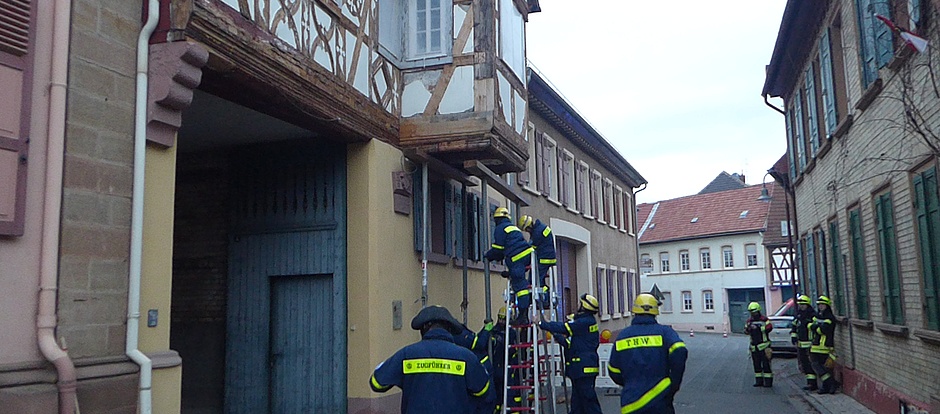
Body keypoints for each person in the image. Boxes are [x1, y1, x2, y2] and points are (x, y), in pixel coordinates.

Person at [370, 305, 491, 413]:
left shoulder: (407, 354)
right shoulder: (466, 357)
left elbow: (377, 383)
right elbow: (483, 390)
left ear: (422, 329)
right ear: (449, 329)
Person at [608, 293, 688, 414]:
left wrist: (630, 382)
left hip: (631, 404)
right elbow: (680, 350)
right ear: (655, 312)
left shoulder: (622, 336)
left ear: (635, 311)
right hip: (660, 400)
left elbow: (613, 370)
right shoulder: (665, 332)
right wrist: (673, 383)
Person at [538, 293, 602, 414]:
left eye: (580, 303)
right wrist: (553, 332)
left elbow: (563, 327)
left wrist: (542, 324)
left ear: (584, 306)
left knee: (589, 402)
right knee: (577, 404)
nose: (577, 305)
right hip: (579, 369)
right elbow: (568, 343)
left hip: (584, 369)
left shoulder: (584, 322)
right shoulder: (583, 325)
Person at [484, 207, 535, 325]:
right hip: (525, 256)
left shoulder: (500, 229)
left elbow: (498, 249)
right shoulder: (513, 228)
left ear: (497, 219)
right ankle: (523, 313)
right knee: (519, 280)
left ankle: (523, 315)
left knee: (520, 287)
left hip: (516, 259)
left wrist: (488, 255)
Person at [454, 319, 498, 414]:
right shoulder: (459, 335)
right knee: (487, 400)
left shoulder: (459, 333)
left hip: (482, 367)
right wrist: (486, 331)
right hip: (481, 368)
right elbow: (479, 343)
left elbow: (476, 339)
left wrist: (484, 330)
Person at [518, 214, 556, 308]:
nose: (527, 231)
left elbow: (532, 249)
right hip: (548, 258)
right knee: (540, 279)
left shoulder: (537, 233)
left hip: (543, 259)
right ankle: (546, 296)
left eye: (526, 229)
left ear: (529, 226)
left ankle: (546, 298)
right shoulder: (540, 227)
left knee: (534, 279)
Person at [808, 295, 839, 394]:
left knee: (825, 367)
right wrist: (815, 327)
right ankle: (831, 384)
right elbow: (809, 325)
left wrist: (815, 327)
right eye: (819, 305)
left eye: (822, 305)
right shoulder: (817, 316)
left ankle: (829, 386)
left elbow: (823, 330)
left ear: (827, 306)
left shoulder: (830, 317)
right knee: (816, 365)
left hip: (825, 346)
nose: (820, 306)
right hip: (815, 345)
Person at [491, 306, 520, 410]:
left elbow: (515, 350)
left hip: (508, 366)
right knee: (496, 394)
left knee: (510, 394)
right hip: (496, 365)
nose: (501, 321)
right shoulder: (494, 331)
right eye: (500, 318)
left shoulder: (512, 333)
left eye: (503, 319)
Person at [790, 294, 818, 391]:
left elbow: (816, 328)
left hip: (810, 343)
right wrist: (794, 337)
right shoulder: (798, 315)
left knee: (811, 363)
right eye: (800, 304)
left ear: (808, 305)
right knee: (805, 363)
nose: (801, 306)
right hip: (801, 343)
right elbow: (794, 326)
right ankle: (809, 382)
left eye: (803, 304)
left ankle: (814, 384)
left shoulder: (812, 315)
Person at [744, 301, 773, 387]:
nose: (753, 314)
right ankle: (759, 381)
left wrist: (758, 328)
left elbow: (769, 328)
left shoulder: (764, 320)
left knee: (766, 365)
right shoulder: (749, 321)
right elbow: (745, 331)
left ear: (758, 311)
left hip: (764, 346)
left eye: (754, 312)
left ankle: (768, 382)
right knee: (756, 365)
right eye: (752, 312)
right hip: (754, 347)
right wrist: (749, 328)